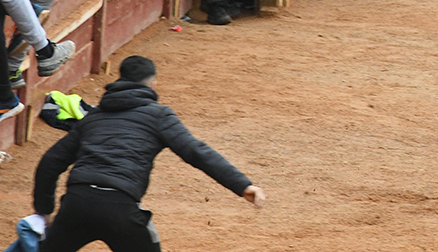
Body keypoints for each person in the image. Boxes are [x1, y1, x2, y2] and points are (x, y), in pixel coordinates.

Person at [33, 55, 264, 252]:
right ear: (152, 85)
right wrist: (242, 185)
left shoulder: (93, 118)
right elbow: (196, 152)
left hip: (76, 203)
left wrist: (44, 212)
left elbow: (50, 162)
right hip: (121, 207)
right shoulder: (159, 115)